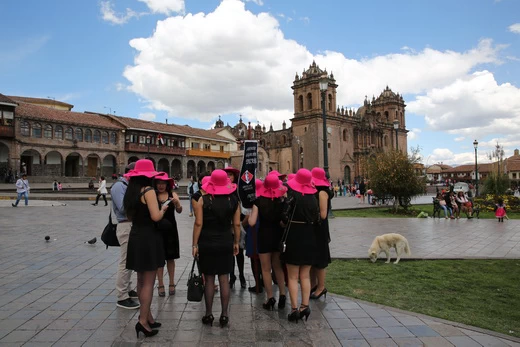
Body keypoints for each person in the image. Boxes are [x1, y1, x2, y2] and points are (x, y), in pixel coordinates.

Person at [124, 159, 168, 338]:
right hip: (149, 238)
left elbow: (128, 216)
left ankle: (148, 316)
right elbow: (156, 217)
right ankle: (142, 321)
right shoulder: (149, 191)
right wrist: (164, 208)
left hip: (136, 236)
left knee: (141, 280)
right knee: (149, 282)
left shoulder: (131, 191)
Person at [192, 169, 241, 327]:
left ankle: (208, 314)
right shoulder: (233, 200)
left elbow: (198, 223)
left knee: (210, 279)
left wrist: (194, 244)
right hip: (226, 240)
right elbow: (237, 224)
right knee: (224, 279)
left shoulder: (203, 200)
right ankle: (225, 315)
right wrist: (236, 242)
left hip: (207, 241)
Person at [282, 168, 319, 322]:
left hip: (294, 235)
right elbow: (317, 219)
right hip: (309, 235)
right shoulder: (314, 198)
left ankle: (294, 309)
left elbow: (284, 216)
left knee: (292, 276)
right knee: (305, 275)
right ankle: (305, 306)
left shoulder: (292, 196)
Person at [248, 173, 288, 310]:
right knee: (278, 267)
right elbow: (284, 222)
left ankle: (270, 298)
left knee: (266, 269)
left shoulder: (258, 201)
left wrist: (249, 216)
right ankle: (283, 294)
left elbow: (252, 222)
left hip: (264, 236)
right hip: (278, 236)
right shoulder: (282, 200)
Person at [112, 162, 140, 310]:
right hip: (125, 225)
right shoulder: (119, 186)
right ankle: (122, 296)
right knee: (124, 262)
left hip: (132, 225)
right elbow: (123, 208)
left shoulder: (128, 187)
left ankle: (128, 289)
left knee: (130, 261)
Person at [154, 173, 182, 297]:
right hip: (157, 230)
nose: (161, 186)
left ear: (167, 184)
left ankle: (171, 282)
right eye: (158, 183)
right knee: (159, 258)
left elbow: (179, 211)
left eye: (163, 183)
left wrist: (177, 203)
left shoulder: (172, 195)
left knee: (170, 257)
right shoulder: (153, 195)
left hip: (171, 230)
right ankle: (160, 284)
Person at [310, 167, 332, 301]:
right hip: (314, 228)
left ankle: (321, 287)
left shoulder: (323, 193)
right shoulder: (317, 191)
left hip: (320, 228)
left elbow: (323, 215)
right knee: (313, 259)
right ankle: (313, 285)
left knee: (320, 260)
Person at [224, 166, 246, 289]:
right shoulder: (221, 190)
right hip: (227, 226)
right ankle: (232, 276)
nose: (228, 178)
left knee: (240, 252)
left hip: (238, 224)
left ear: (234, 177)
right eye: (227, 175)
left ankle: (242, 275)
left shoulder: (239, 191)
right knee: (230, 253)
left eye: (231, 175)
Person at [245, 179, 264, 293]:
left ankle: (258, 284)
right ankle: (263, 281)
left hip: (254, 231)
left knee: (254, 259)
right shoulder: (267, 198)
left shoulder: (253, 201)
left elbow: (250, 219)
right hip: (264, 231)